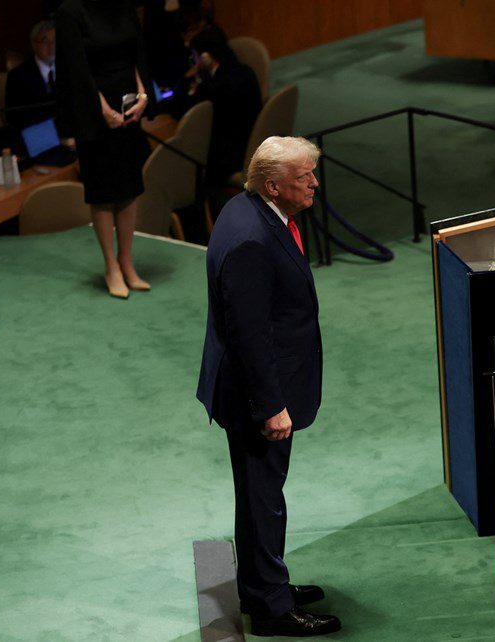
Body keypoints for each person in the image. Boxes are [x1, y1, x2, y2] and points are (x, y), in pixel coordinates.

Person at [196, 136, 342, 638]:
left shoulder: (247, 209)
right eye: (305, 177)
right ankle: (271, 609)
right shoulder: (252, 240)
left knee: (262, 494)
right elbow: (249, 335)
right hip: (255, 396)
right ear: (274, 186)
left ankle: (264, 584)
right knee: (262, 499)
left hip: (257, 386)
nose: (315, 183)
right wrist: (271, 406)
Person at [55, 0, 154, 299]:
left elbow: (136, 51)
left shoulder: (123, 5)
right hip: (92, 112)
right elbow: (76, 67)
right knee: (103, 192)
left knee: (129, 187)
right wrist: (102, 110)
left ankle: (126, 261)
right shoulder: (71, 11)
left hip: (128, 106)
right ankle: (111, 266)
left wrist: (143, 95)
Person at [181, 25, 262, 189]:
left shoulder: (213, 87)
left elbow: (181, 108)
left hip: (231, 159)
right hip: (253, 145)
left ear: (205, 57)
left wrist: (187, 78)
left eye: (195, 56)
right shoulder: (245, 72)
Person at [5, 21, 58, 133]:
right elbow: (13, 116)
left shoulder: (69, 70)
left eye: (54, 41)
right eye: (45, 41)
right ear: (34, 45)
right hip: (37, 135)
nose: (51, 46)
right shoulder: (17, 76)